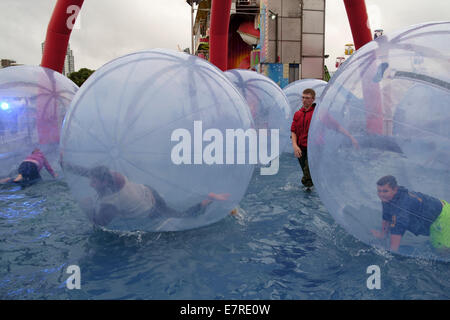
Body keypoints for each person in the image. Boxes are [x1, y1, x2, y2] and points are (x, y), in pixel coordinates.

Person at [61, 161, 231, 227]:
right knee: (174, 210)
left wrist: (88, 206)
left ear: (104, 182)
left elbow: (100, 224)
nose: (90, 184)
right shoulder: (112, 175)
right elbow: (88, 171)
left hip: (151, 209)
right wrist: (66, 164)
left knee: (182, 216)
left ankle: (207, 200)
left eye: (94, 182)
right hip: (148, 191)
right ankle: (206, 199)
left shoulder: (110, 203)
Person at [372, 175, 450, 251]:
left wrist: (390, 255)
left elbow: (395, 242)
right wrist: (383, 234)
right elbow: (387, 216)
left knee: (442, 251)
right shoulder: (389, 198)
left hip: (442, 218)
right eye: (379, 191)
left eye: (385, 191)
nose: (381, 194)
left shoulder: (402, 208)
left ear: (395, 189)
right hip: (440, 208)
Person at [291, 88, 317, 188]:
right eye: (303, 97)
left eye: (307, 98)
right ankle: (309, 190)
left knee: (307, 174)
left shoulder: (317, 113)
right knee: (306, 173)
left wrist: (349, 136)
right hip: (301, 148)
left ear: (313, 99)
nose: (304, 100)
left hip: (313, 148)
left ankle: (309, 189)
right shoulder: (298, 114)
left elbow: (333, 125)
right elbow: (293, 131)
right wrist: (295, 145)